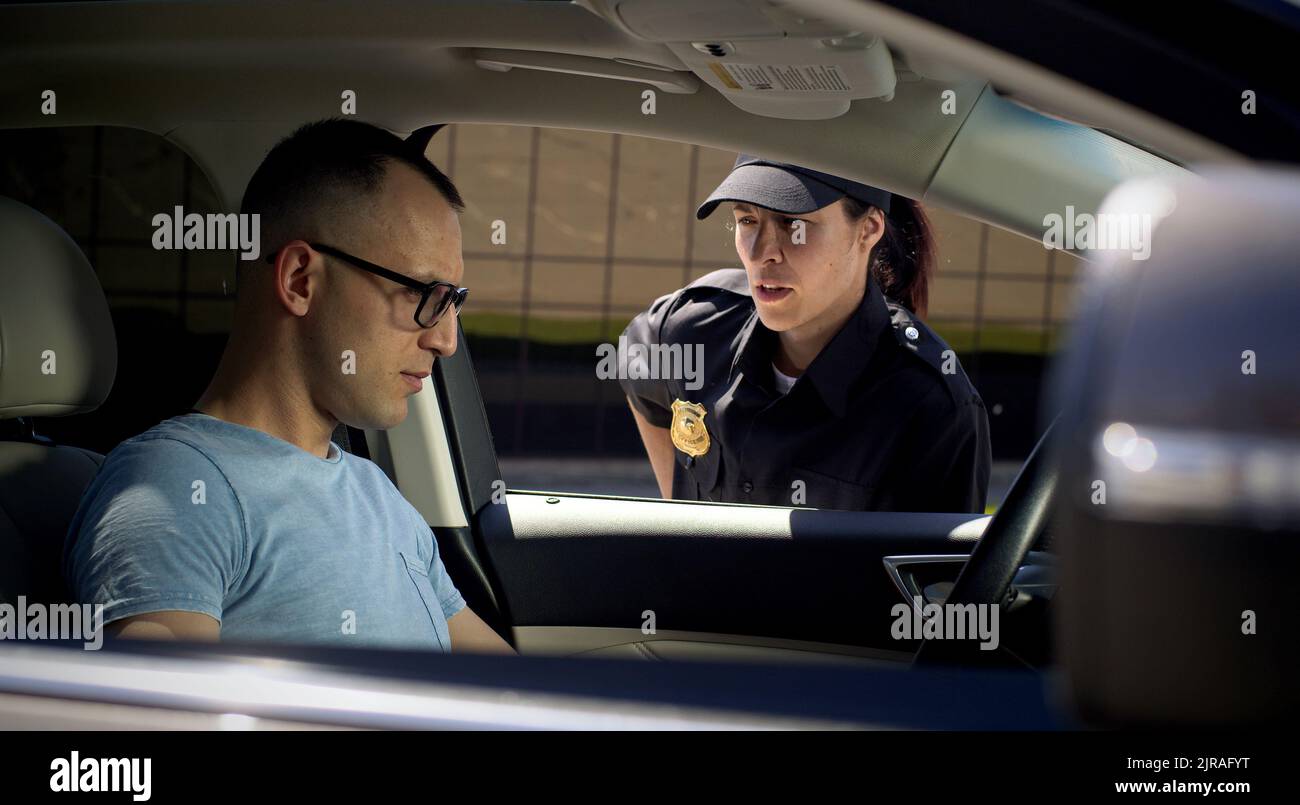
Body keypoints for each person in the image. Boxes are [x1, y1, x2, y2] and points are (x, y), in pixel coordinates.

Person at [63, 119, 513, 653]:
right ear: (301, 279)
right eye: (426, 295)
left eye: (453, 302)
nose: (445, 341)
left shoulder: (378, 496)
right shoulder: (175, 489)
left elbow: (512, 693)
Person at [619, 154, 991, 512]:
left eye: (792, 225)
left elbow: (934, 572)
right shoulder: (695, 327)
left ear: (869, 228)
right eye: (747, 220)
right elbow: (635, 364)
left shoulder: (930, 405)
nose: (762, 252)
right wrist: (678, 523)